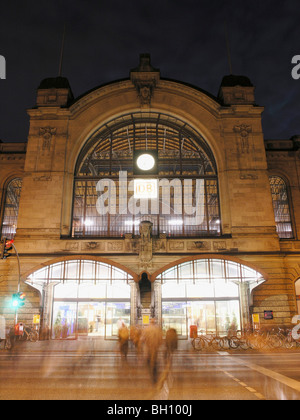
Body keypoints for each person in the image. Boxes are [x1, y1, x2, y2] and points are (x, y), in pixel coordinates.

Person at [143, 319, 163, 383]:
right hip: (155, 348)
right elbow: (161, 339)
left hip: (148, 348)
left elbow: (143, 338)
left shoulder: (146, 329)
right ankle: (154, 374)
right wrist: (158, 345)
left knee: (149, 360)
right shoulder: (158, 329)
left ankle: (152, 372)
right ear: (154, 322)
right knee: (154, 360)